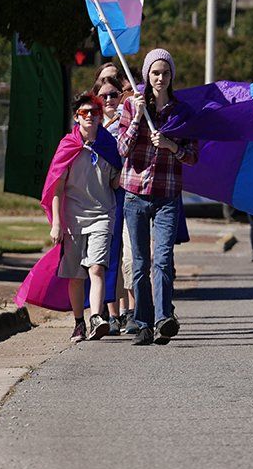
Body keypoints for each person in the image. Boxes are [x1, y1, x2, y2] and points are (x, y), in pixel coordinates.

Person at [118, 48, 198, 346]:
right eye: (155, 72)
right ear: (146, 75)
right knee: (140, 262)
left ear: (171, 75)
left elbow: (192, 156)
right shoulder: (132, 105)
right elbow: (122, 149)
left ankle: (164, 319)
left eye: (165, 72)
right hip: (135, 193)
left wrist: (170, 145)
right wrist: (138, 118)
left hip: (167, 195)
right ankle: (143, 322)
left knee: (163, 259)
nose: (160, 78)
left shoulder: (182, 112)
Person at [47, 94, 120, 342]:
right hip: (73, 219)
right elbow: (56, 189)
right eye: (84, 112)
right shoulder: (67, 146)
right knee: (76, 276)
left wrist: (125, 167)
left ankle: (97, 317)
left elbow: (114, 183)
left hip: (102, 215)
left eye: (94, 112)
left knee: (97, 267)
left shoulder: (108, 144)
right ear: (76, 117)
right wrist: (57, 223)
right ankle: (79, 322)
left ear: (100, 117)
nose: (90, 116)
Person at [92, 75, 132, 331]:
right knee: (108, 255)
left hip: (127, 195)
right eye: (103, 96)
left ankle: (133, 311)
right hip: (100, 198)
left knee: (131, 255)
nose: (109, 99)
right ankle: (112, 313)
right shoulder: (91, 125)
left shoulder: (128, 121)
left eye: (113, 95)